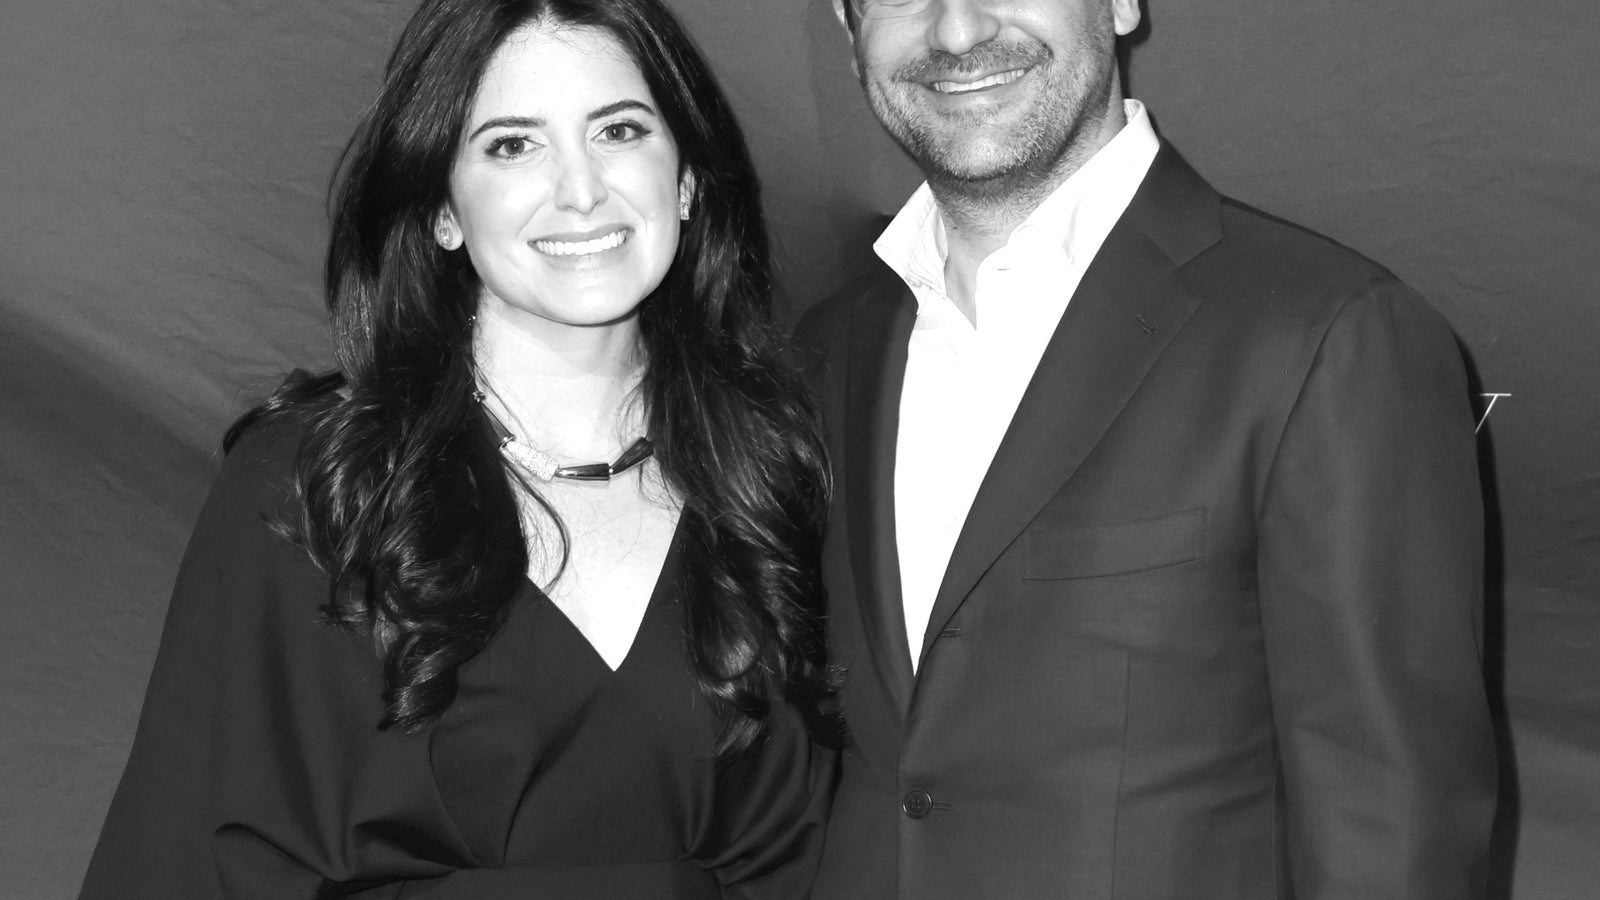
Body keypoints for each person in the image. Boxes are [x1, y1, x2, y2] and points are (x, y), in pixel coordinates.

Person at [79, 0, 831, 896]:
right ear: (442, 206)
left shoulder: (778, 476)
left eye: (619, 130)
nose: (580, 189)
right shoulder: (311, 492)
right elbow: (180, 862)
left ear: (687, 183)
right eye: (513, 145)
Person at [795, 0, 1498, 897]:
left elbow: (1394, 835)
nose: (958, 31)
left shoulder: (1329, 335)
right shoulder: (823, 352)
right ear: (846, 28)